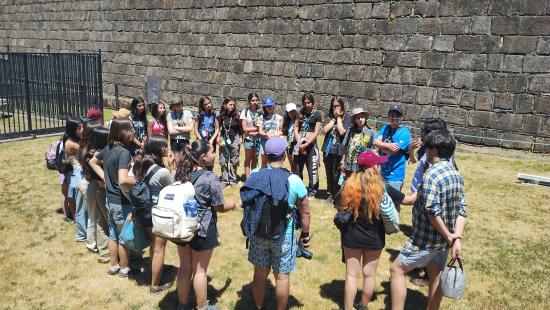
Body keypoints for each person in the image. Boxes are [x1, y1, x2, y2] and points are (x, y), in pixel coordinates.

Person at [390, 130, 467, 310]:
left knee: (397, 270)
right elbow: (462, 210)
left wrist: (449, 236)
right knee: (436, 276)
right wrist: (456, 238)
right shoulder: (457, 175)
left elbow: (432, 211)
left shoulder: (431, 175)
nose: (424, 149)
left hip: (424, 240)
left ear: (434, 149)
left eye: (427, 146)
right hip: (443, 244)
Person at [244, 137, 311, 310]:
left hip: (259, 232)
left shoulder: (255, 175)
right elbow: (305, 211)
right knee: (282, 277)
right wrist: (305, 234)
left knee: (259, 275)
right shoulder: (294, 180)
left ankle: (258, 307)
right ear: (284, 154)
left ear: (266, 155)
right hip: (284, 235)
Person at [173, 139, 236, 310]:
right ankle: (202, 307)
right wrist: (234, 204)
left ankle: (182, 304)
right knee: (200, 271)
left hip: (182, 227)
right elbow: (219, 206)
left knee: (185, 267)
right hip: (202, 228)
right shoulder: (210, 177)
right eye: (212, 152)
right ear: (203, 157)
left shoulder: (180, 172)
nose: (215, 154)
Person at [338, 150, 398, 310]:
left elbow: (341, 207)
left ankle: (347, 307)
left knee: (351, 275)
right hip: (375, 237)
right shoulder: (383, 188)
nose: (380, 165)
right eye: (378, 163)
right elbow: (405, 199)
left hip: (351, 235)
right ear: (373, 167)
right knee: (369, 274)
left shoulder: (349, 184)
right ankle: (363, 305)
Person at [89, 118, 136, 277]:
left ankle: (113, 265)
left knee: (113, 234)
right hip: (121, 202)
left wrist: (106, 179)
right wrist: (139, 180)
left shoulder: (108, 148)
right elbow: (123, 179)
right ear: (123, 132)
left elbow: (93, 161)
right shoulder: (124, 152)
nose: (134, 132)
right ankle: (124, 268)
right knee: (123, 236)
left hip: (110, 199)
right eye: (131, 129)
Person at [132, 136, 173, 294]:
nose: (167, 149)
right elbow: (174, 187)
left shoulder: (140, 165)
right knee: (159, 249)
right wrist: (172, 167)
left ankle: (155, 272)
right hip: (156, 214)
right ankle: (155, 285)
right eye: (164, 147)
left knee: (154, 246)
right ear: (157, 150)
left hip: (143, 211)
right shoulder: (162, 172)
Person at [82, 126, 111, 263]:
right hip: (100, 188)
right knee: (104, 220)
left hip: (91, 186)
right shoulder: (98, 155)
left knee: (97, 219)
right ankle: (102, 249)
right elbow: (102, 179)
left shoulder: (89, 150)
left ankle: (100, 248)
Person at [373, 104, 412, 192]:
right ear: (388, 117)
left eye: (397, 116)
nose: (394, 118)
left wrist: (381, 145)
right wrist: (388, 145)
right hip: (381, 173)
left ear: (401, 117)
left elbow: (392, 152)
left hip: (394, 177)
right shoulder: (386, 128)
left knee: (393, 204)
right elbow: (375, 142)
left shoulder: (405, 133)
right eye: (392, 115)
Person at [321, 96, 352, 203]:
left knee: (338, 173)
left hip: (340, 150)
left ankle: (338, 194)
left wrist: (338, 118)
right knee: (329, 172)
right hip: (328, 149)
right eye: (333, 106)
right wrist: (334, 118)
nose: (335, 108)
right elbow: (324, 130)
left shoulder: (347, 118)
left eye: (337, 106)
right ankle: (330, 193)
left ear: (342, 106)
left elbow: (342, 131)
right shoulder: (330, 117)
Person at [64, 116, 89, 242]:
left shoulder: (77, 140)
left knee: (84, 204)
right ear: (74, 129)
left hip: (79, 173)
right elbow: (86, 153)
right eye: (79, 127)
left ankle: (85, 232)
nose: (82, 129)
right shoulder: (71, 143)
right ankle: (81, 234)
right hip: (78, 174)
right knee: (81, 206)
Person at [293, 93, 322, 198]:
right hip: (299, 145)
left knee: (312, 169)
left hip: (310, 145)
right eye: (305, 103)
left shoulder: (317, 115)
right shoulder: (300, 114)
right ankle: (299, 189)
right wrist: (299, 142)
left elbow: (316, 132)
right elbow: (296, 129)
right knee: (297, 168)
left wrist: (307, 144)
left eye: (309, 102)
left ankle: (312, 190)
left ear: (312, 102)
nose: (307, 105)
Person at [341, 108, 376, 179]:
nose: (360, 119)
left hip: (363, 166)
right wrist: (342, 161)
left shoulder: (371, 131)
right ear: (354, 120)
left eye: (362, 117)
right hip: (349, 165)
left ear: (365, 118)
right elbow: (345, 146)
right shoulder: (350, 130)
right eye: (358, 118)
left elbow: (376, 149)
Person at [217, 97, 242, 186]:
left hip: (234, 138)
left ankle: (232, 179)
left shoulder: (236, 116)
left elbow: (240, 129)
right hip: (224, 138)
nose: (232, 107)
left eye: (233, 105)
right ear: (225, 105)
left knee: (234, 159)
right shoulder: (221, 116)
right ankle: (224, 179)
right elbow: (218, 129)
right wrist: (218, 138)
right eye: (230, 105)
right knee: (223, 159)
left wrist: (241, 138)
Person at [257, 97, 283, 168]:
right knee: (264, 162)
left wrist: (278, 134)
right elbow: (260, 131)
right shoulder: (262, 117)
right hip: (264, 142)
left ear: (274, 106)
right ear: (264, 107)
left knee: (274, 162)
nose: (269, 107)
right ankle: (263, 178)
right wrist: (266, 134)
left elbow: (282, 131)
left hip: (275, 143)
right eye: (267, 106)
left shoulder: (279, 118)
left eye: (270, 106)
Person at [240, 93, 261, 179]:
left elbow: (262, 126)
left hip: (257, 139)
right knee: (248, 159)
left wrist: (256, 132)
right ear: (249, 101)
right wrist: (256, 129)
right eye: (252, 100)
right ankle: (248, 178)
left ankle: (253, 177)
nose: (254, 102)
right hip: (248, 139)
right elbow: (244, 128)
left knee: (255, 158)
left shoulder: (260, 113)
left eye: (256, 100)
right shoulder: (245, 112)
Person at [281, 102, 298, 174]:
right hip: (289, 145)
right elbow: (284, 132)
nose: (292, 113)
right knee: (292, 164)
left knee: (296, 164)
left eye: (293, 111)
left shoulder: (298, 119)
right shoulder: (286, 120)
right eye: (290, 111)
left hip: (297, 145)